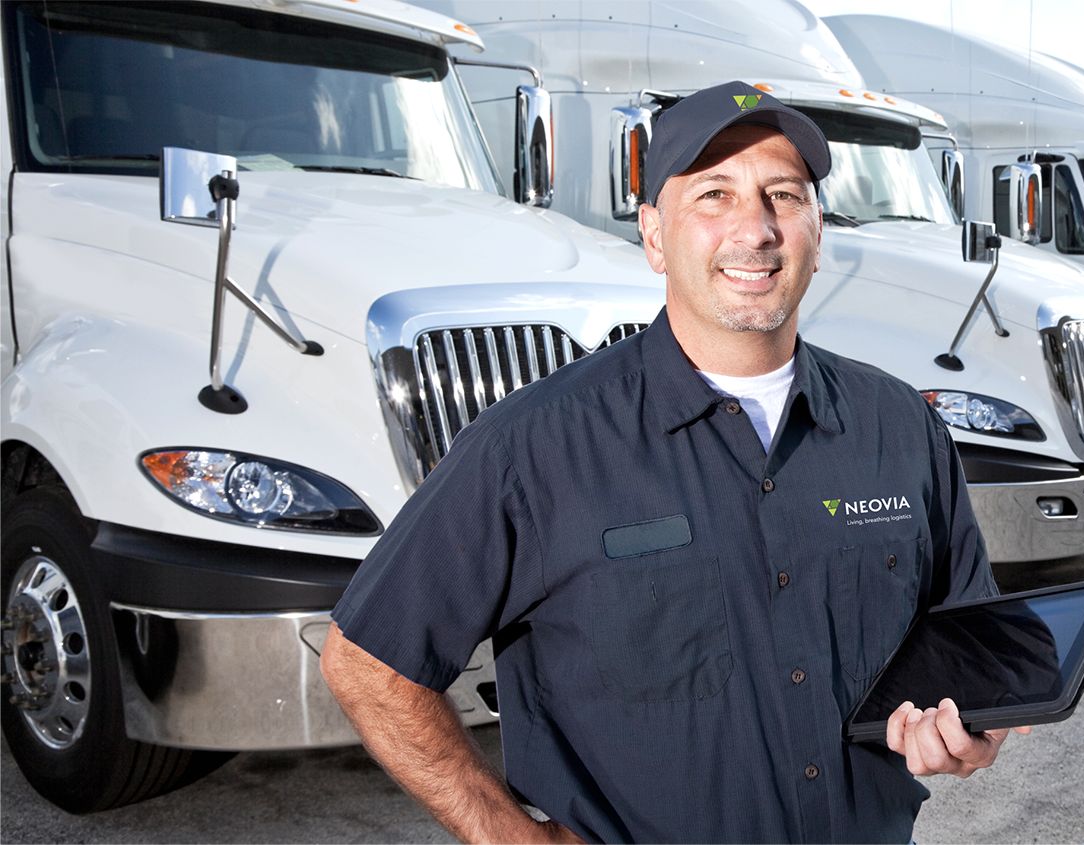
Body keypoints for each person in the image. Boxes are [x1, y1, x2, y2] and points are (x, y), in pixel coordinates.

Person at [320, 80, 1022, 844]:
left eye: (783, 194)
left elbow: (968, 652)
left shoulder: (900, 428)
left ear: (819, 230)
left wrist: (972, 727)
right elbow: (367, 663)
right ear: (654, 235)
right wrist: (513, 838)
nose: (754, 229)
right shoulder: (536, 446)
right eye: (713, 195)